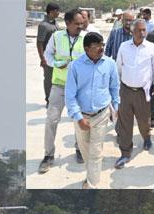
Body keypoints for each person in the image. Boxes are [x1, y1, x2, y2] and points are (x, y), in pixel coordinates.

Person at [65, 32, 120, 188]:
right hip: (82, 116)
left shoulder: (110, 63)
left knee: (96, 153)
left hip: (101, 114)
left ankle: (91, 185)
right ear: (87, 48)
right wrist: (78, 118)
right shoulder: (75, 66)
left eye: (102, 45)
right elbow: (70, 95)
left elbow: (115, 87)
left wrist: (116, 108)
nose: (101, 48)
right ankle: (91, 176)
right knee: (85, 151)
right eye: (97, 46)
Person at [39, 9, 86, 173]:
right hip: (59, 85)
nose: (80, 26)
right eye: (77, 24)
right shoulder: (56, 37)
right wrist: (57, 64)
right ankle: (48, 155)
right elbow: (47, 56)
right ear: (67, 23)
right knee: (51, 120)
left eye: (82, 23)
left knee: (79, 121)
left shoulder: (85, 38)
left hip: (79, 88)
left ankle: (80, 150)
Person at [114, 19, 154, 169]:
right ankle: (125, 153)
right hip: (125, 90)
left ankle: (146, 137)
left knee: (143, 121)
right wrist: (119, 87)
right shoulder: (124, 46)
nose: (142, 33)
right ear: (132, 32)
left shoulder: (151, 47)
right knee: (125, 123)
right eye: (139, 30)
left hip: (143, 92)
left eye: (144, 30)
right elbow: (118, 67)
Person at [37, 3, 61, 105]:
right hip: (47, 57)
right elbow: (39, 43)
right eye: (57, 11)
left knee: (56, 79)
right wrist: (43, 59)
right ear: (51, 12)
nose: (58, 13)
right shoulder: (43, 25)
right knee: (48, 79)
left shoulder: (55, 23)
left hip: (56, 56)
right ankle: (48, 100)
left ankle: (54, 99)